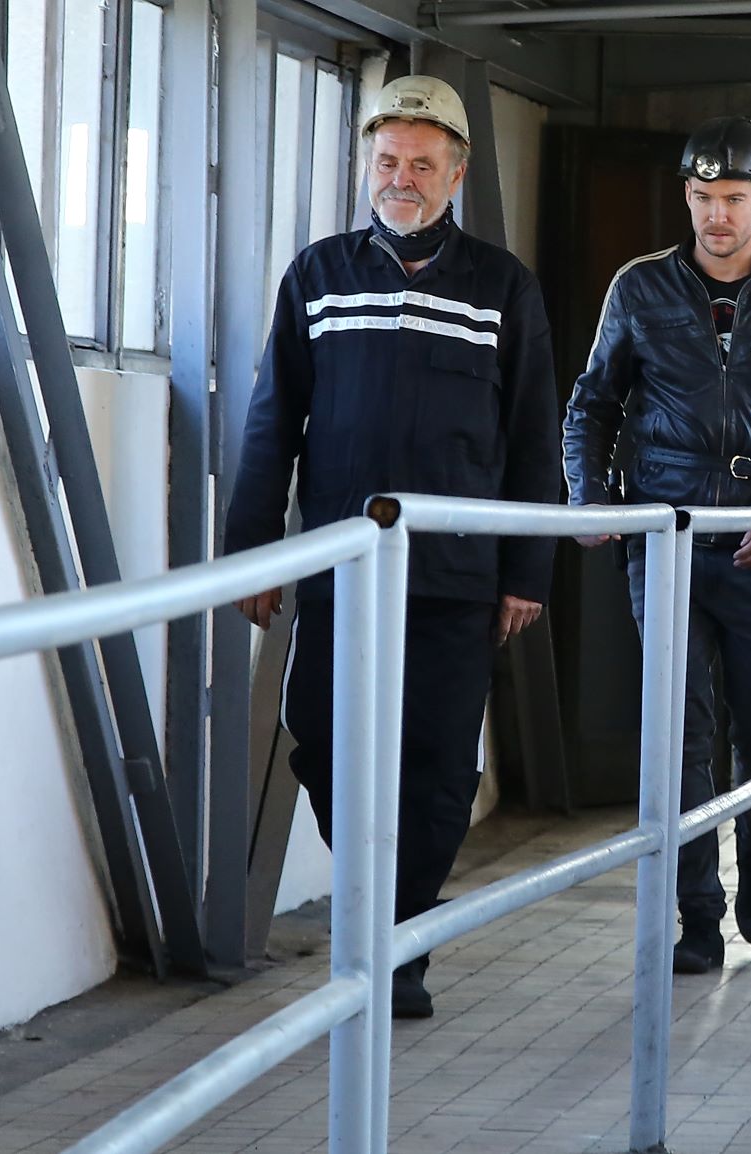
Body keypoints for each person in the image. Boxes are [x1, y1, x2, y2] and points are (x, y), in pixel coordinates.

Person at [224, 75, 562, 1019]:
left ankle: (396, 941)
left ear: (456, 174)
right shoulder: (319, 275)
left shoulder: (503, 287)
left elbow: (534, 436)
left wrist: (526, 572)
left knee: (441, 764)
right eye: (386, 161)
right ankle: (394, 918)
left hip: (457, 574)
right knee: (324, 743)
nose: (400, 179)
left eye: (421, 163)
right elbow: (273, 421)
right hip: (342, 566)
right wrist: (255, 551)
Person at [562, 116, 751, 975]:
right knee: (679, 731)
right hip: (667, 539)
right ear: (685, 197)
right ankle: (697, 912)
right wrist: (589, 496)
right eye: (701, 197)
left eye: (732, 198)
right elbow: (592, 403)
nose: (716, 215)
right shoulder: (641, 289)